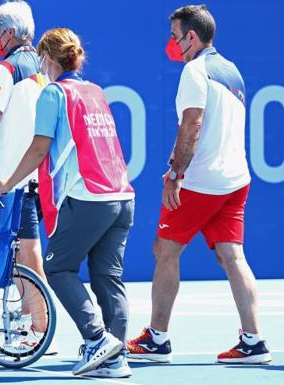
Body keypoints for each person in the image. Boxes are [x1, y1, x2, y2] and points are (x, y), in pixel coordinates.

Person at [127, 5, 271, 365]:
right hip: (236, 179)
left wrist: (176, 174)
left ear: (191, 36)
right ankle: (253, 341)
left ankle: (156, 339)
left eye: (175, 36)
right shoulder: (232, 71)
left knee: (165, 250)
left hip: (201, 181)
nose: (172, 43)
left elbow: (192, 125)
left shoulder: (195, 70)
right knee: (232, 256)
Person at [0, 28, 136, 377]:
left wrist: (6, 183)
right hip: (122, 196)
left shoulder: (53, 94)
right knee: (107, 277)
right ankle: (114, 357)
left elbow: (39, 148)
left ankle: (98, 339)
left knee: (58, 269)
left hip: (88, 197)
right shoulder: (95, 91)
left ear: (47, 58)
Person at [0, 0, 57, 353]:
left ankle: (39, 328)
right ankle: (35, 322)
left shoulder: (5, 69)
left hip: (15, 181)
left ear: (10, 32)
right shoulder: (44, 68)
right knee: (24, 255)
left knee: (27, 255)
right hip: (37, 177)